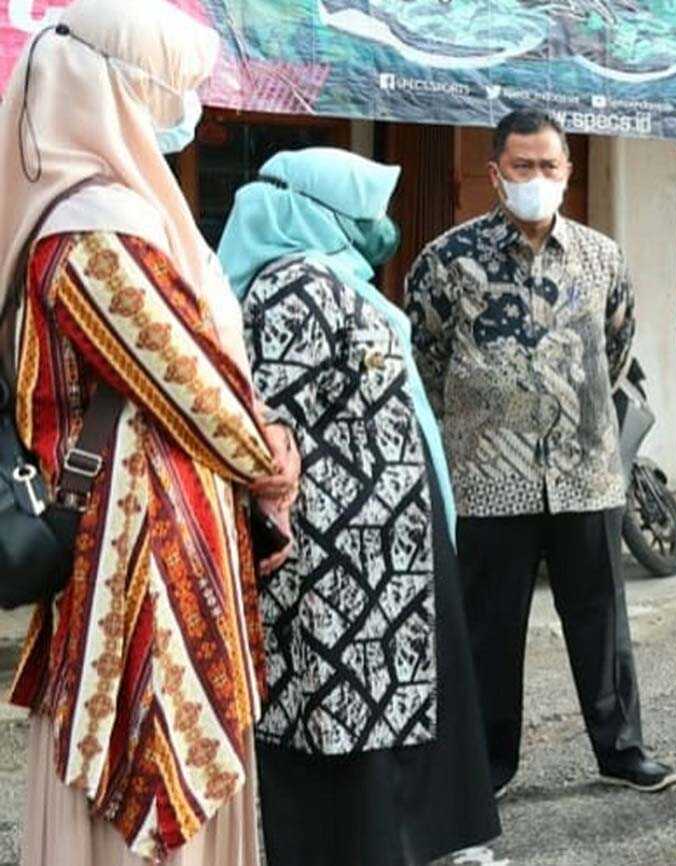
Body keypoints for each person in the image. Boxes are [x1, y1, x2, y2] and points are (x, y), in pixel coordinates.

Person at [0, 1, 300, 862]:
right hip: (137, 565)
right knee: (151, 781)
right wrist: (271, 455)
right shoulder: (93, 229)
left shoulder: (110, 215)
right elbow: (192, 383)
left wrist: (264, 437)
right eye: (164, 91)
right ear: (114, 92)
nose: (181, 114)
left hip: (163, 545)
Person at [219, 147, 501, 866]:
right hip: (339, 555)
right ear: (311, 212)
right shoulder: (292, 286)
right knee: (342, 713)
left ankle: (397, 844)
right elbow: (271, 429)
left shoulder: (334, 278)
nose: (378, 227)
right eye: (362, 211)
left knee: (388, 706)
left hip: (382, 548)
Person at [405, 108, 676, 797]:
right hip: (488, 477)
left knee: (600, 620)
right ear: (495, 173)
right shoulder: (446, 260)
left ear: (568, 170)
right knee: (490, 627)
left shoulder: (601, 256)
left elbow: (615, 348)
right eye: (521, 166)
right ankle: (490, 764)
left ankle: (622, 751)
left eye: (548, 166)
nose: (536, 178)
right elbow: (427, 357)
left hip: (585, 472)